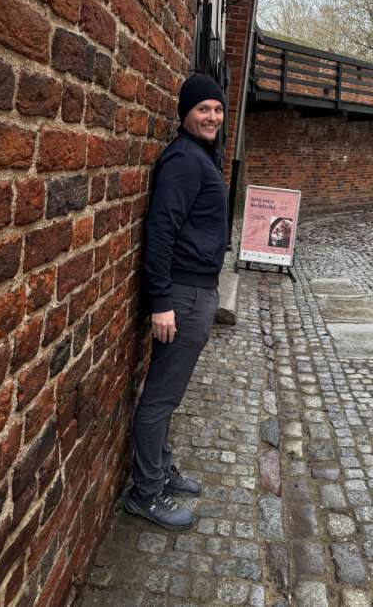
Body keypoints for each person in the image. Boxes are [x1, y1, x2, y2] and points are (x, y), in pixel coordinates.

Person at [123, 72, 228, 531]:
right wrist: (161, 300)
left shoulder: (199, 156)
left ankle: (160, 467)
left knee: (169, 393)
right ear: (185, 113)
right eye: (203, 108)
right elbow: (160, 228)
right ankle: (145, 493)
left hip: (194, 290)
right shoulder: (185, 160)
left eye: (218, 109)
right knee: (160, 397)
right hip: (182, 295)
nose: (212, 116)